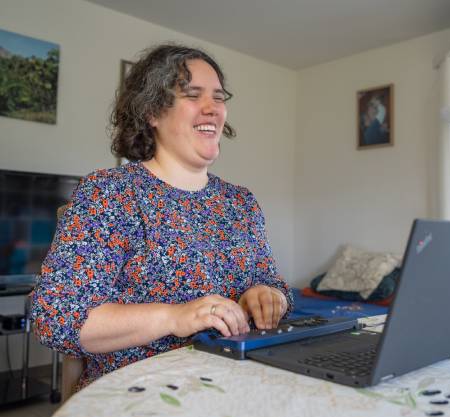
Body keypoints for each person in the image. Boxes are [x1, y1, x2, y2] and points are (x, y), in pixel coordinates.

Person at [30, 43, 293, 389]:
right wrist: (174, 316)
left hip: (239, 383)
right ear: (152, 111)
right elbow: (56, 318)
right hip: (143, 393)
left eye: (218, 97)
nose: (212, 108)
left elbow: (272, 281)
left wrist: (269, 295)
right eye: (193, 95)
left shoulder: (241, 202)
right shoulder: (110, 193)